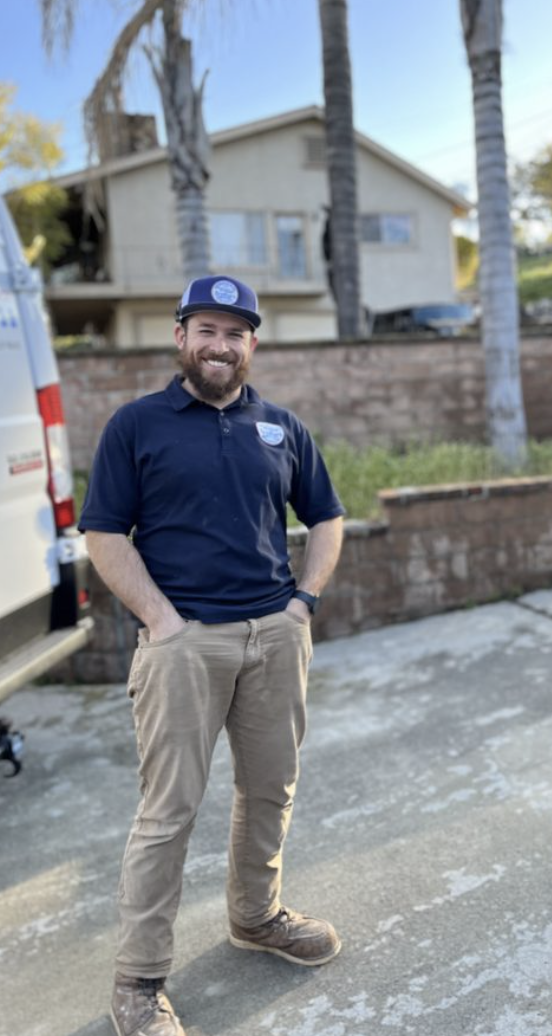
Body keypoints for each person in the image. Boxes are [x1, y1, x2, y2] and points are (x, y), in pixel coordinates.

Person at [79, 275, 346, 1036]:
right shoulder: (137, 425)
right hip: (183, 646)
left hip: (274, 638)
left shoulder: (281, 427)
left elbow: (326, 517)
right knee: (168, 814)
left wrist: (302, 603)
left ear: (252, 344)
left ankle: (256, 918)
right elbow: (103, 534)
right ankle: (137, 980)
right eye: (207, 330)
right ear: (181, 337)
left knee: (271, 790)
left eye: (236, 333)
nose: (221, 345)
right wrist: (162, 621)